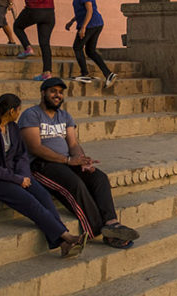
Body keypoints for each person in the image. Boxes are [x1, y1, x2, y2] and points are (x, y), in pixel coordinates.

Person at [19, 78, 140, 247]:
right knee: (75, 184)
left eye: (60, 92)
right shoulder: (31, 114)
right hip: (41, 165)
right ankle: (101, 231)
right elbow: (35, 148)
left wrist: (82, 161)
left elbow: (73, 144)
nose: (57, 95)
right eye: (53, 91)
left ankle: (112, 223)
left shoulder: (65, 116)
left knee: (99, 178)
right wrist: (68, 160)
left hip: (66, 162)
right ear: (43, 93)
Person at [0, 93, 86, 258]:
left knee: (43, 195)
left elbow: (22, 156)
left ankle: (63, 243)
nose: (19, 113)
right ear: (11, 111)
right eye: (18, 110)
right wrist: (17, 179)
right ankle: (66, 236)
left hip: (15, 173)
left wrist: (25, 176)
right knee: (29, 201)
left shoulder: (13, 128)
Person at [65, 0, 117, 87]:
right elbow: (82, 10)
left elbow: (89, 10)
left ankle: (85, 74)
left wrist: (83, 27)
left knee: (77, 47)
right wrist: (72, 21)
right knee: (90, 50)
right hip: (96, 23)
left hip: (91, 24)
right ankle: (108, 74)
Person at [12, 0, 57, 81]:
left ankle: (28, 48)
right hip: (49, 12)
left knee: (17, 26)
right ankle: (47, 72)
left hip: (34, 9)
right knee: (45, 44)